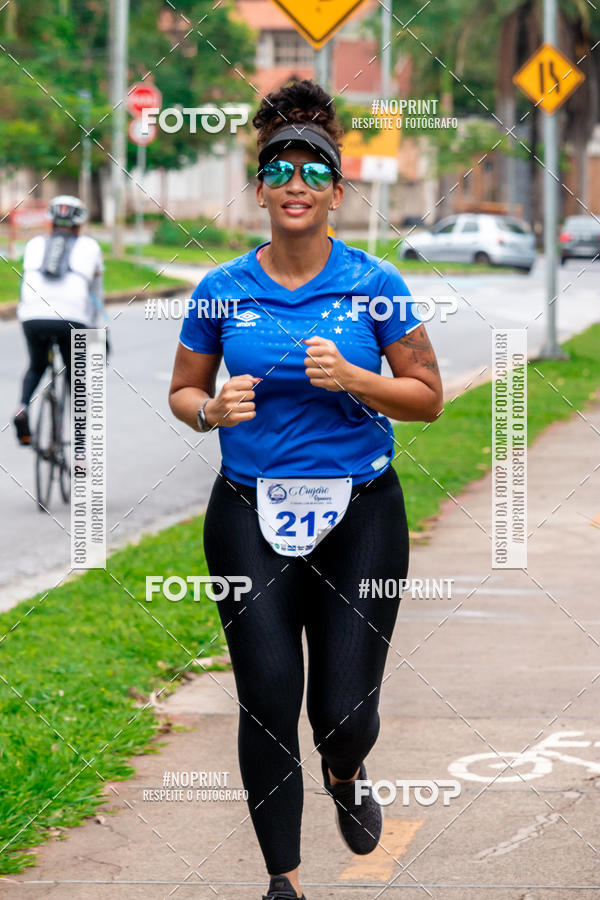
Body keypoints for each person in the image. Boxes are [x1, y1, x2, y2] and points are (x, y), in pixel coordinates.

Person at [169, 79, 443, 900]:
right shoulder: (222, 289)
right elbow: (183, 391)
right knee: (266, 697)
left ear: (335, 190)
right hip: (247, 509)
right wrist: (210, 409)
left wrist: (358, 378)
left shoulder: (375, 283)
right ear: (259, 188)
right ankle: (282, 881)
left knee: (343, 712)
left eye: (314, 171)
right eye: (280, 171)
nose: (297, 184)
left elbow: (427, 397)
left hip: (362, 511)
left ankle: (347, 770)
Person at [13, 194, 105, 445]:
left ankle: (22, 407)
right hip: (72, 318)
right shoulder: (91, 247)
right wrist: (99, 330)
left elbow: (25, 285)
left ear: (51, 221)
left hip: (32, 316)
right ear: (80, 224)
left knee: (36, 365)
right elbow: (96, 296)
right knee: (75, 375)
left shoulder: (34, 244)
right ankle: (80, 445)